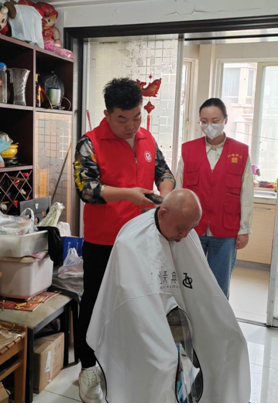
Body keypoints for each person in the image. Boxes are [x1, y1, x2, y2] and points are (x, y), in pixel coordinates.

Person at [87, 189, 251, 403]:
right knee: (164, 362)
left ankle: (218, 398)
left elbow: (201, 287)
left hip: (173, 313)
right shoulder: (131, 241)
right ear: (163, 213)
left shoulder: (185, 232)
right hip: (139, 320)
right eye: (181, 229)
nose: (185, 236)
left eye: (191, 229)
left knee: (232, 339)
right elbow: (135, 303)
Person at [73, 78, 175, 402]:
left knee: (137, 300)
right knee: (95, 301)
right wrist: (129, 194)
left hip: (143, 238)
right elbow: (86, 189)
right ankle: (88, 368)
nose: (131, 125)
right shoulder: (90, 142)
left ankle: (127, 361)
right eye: (122, 119)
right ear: (107, 114)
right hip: (104, 240)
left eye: (137, 117)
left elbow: (164, 172)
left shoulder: (147, 138)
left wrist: (166, 195)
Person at [176, 98, 254, 298]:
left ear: (225, 120)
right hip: (193, 230)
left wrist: (244, 229)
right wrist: (177, 225)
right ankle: (191, 317)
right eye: (204, 121)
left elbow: (246, 194)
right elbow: (179, 190)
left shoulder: (240, 151)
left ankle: (218, 319)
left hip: (225, 230)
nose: (209, 125)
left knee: (219, 287)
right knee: (190, 283)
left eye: (215, 120)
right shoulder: (188, 150)